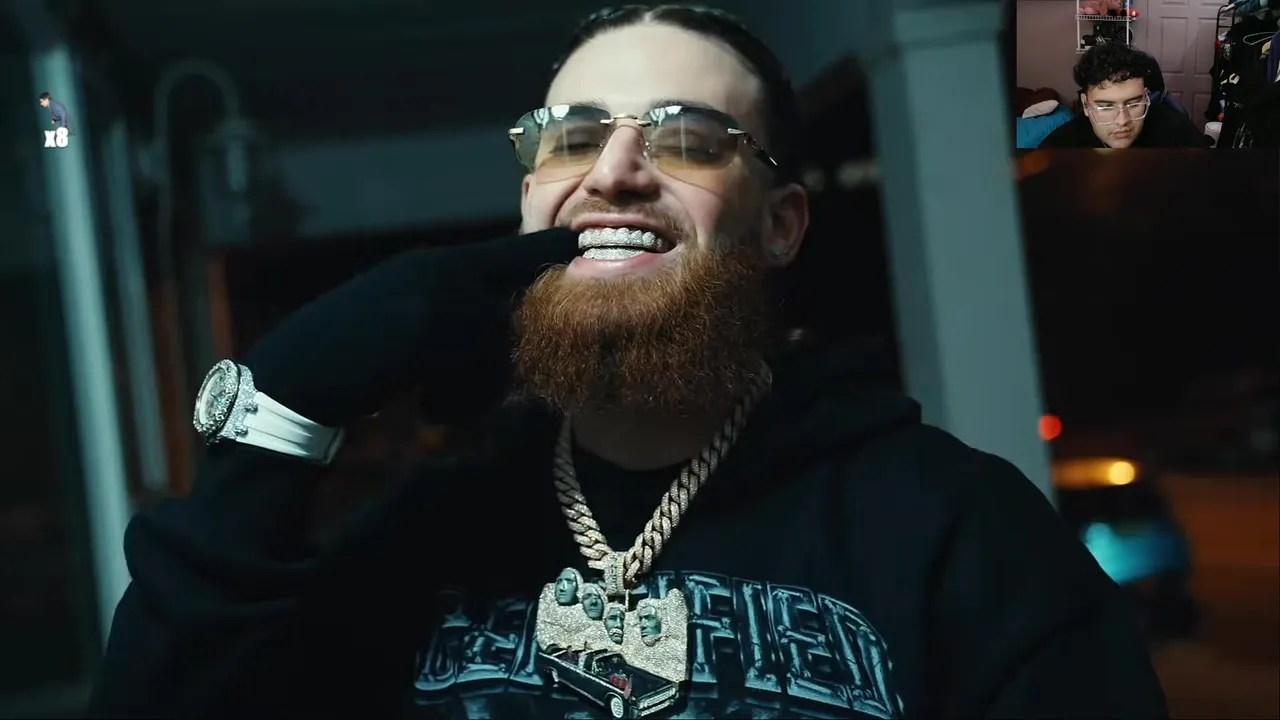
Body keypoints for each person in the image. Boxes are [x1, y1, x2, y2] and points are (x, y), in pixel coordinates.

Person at [88, 5, 1170, 720]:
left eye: (685, 137)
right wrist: (281, 407)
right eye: (570, 135)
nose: (612, 172)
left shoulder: (959, 527)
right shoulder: (424, 533)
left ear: (781, 224)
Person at [1040, 43, 1204, 148]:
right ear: (1085, 105)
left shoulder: (1178, 133)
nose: (1122, 121)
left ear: (1146, 97)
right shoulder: (1060, 148)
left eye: (1133, 104)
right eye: (1106, 107)